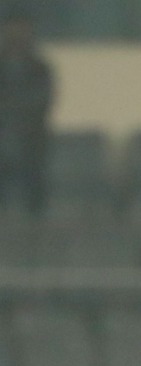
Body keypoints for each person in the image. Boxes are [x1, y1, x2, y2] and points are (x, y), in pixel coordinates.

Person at [0, 9, 53, 214]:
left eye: (22, 30)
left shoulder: (41, 69)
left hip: (32, 143)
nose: (17, 35)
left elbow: (42, 103)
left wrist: (11, 109)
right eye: (12, 30)